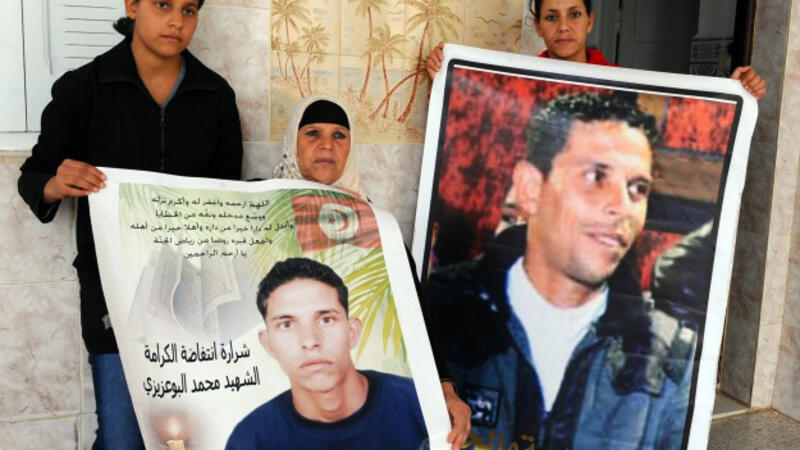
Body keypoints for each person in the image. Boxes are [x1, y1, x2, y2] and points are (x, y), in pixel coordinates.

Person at [16, 1, 243, 448]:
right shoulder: (84, 88)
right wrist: (56, 185)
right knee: (121, 437)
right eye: (163, 4)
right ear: (132, 6)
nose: (177, 20)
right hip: (112, 291)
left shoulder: (215, 95)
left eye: (190, 10)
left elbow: (226, 195)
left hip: (195, 298)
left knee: (189, 436)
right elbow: (33, 176)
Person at [423, 92, 698, 449]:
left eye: (638, 188)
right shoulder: (442, 308)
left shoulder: (669, 354)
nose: (622, 207)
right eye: (596, 176)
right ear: (530, 188)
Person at [273, 94, 472, 448]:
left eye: (339, 135)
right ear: (293, 141)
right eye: (312, 132)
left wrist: (445, 390)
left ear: (351, 148)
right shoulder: (258, 211)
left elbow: (413, 316)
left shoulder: (378, 228)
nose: (326, 145)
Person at [226, 257, 428, 449]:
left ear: (352, 332)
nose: (310, 341)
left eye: (326, 320)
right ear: (268, 344)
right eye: (287, 325)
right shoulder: (250, 440)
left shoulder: (420, 404)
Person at [426, 0, 767, 99]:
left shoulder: (622, 84)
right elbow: (475, 110)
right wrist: (443, 75)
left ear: (590, 22)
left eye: (574, 15)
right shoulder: (517, 83)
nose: (563, 26)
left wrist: (737, 92)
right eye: (551, 17)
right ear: (539, 27)